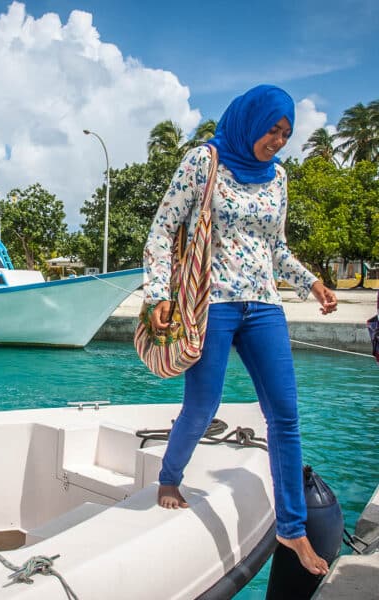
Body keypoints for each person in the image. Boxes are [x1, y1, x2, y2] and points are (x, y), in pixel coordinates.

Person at [143, 84, 337, 576]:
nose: (278, 140)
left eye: (286, 133)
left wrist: (311, 281)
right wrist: (156, 294)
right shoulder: (204, 162)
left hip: (264, 306)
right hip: (213, 305)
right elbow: (164, 228)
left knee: (286, 415)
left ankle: (291, 529)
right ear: (250, 120)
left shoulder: (280, 178)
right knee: (203, 404)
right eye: (272, 129)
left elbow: (275, 248)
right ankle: (169, 478)